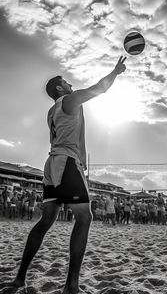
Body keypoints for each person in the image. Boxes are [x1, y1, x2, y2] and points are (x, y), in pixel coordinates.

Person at [11, 56, 126, 294]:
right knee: (85, 218)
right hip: (67, 163)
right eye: (67, 82)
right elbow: (99, 89)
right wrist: (115, 72)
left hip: (51, 164)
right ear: (60, 88)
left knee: (46, 221)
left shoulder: (51, 111)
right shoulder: (69, 101)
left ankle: (20, 278)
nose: (71, 84)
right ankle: (71, 285)